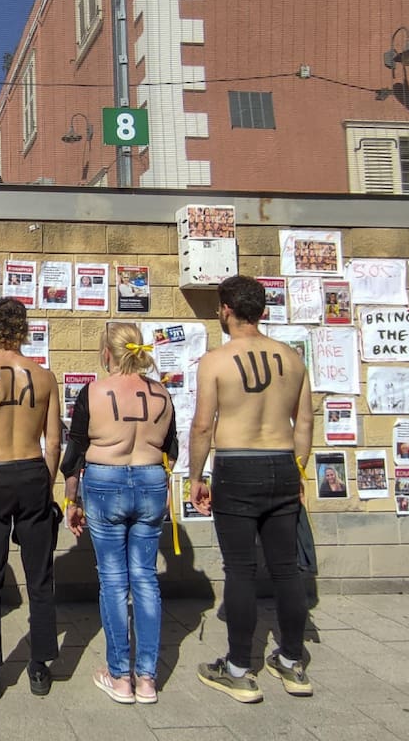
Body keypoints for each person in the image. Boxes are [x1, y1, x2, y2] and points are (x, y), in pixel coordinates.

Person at [188, 275, 314, 703]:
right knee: (286, 568)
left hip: (237, 464)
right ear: (262, 311)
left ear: (226, 309)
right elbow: (305, 422)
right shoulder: (292, 359)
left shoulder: (216, 361)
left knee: (240, 569)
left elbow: (203, 425)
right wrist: (298, 470)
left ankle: (240, 668)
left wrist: (196, 477)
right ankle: (293, 662)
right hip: (282, 462)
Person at [61, 322, 176, 705]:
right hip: (150, 480)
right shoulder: (162, 394)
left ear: (107, 353)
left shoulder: (94, 392)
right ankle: (147, 679)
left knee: (113, 580)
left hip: (105, 480)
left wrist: (71, 499)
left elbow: (76, 450)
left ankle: (119, 675)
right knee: (145, 578)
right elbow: (171, 448)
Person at [0, 298, 63, 699]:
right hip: (33, 470)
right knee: (39, 575)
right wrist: (45, 486)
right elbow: (53, 442)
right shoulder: (45, 377)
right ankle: (39, 668)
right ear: (24, 330)